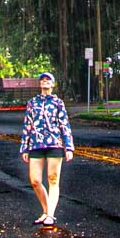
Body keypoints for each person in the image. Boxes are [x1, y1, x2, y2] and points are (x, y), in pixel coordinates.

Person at [19, 71, 74, 227]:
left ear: (53, 84)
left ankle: (51, 214)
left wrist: (68, 147)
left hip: (54, 144)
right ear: (39, 84)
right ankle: (45, 210)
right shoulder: (32, 103)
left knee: (53, 178)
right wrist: (24, 147)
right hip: (36, 144)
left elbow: (65, 125)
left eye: (48, 80)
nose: (44, 82)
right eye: (42, 80)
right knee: (35, 180)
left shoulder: (58, 103)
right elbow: (27, 125)